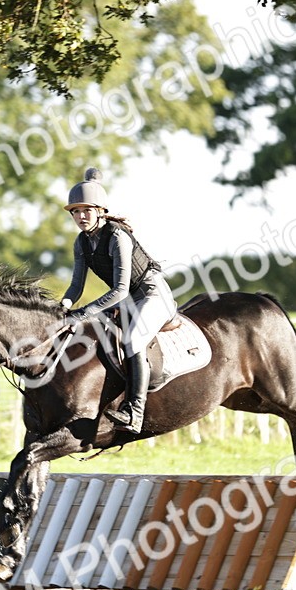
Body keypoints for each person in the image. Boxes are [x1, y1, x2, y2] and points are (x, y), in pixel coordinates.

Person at [60, 167, 177, 434]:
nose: (80, 217)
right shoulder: (81, 242)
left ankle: (135, 411)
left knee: (133, 339)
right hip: (126, 299)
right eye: (75, 212)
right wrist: (64, 306)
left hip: (151, 293)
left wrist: (84, 313)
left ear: (100, 210)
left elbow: (121, 290)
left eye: (86, 211)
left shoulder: (116, 236)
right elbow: (76, 286)